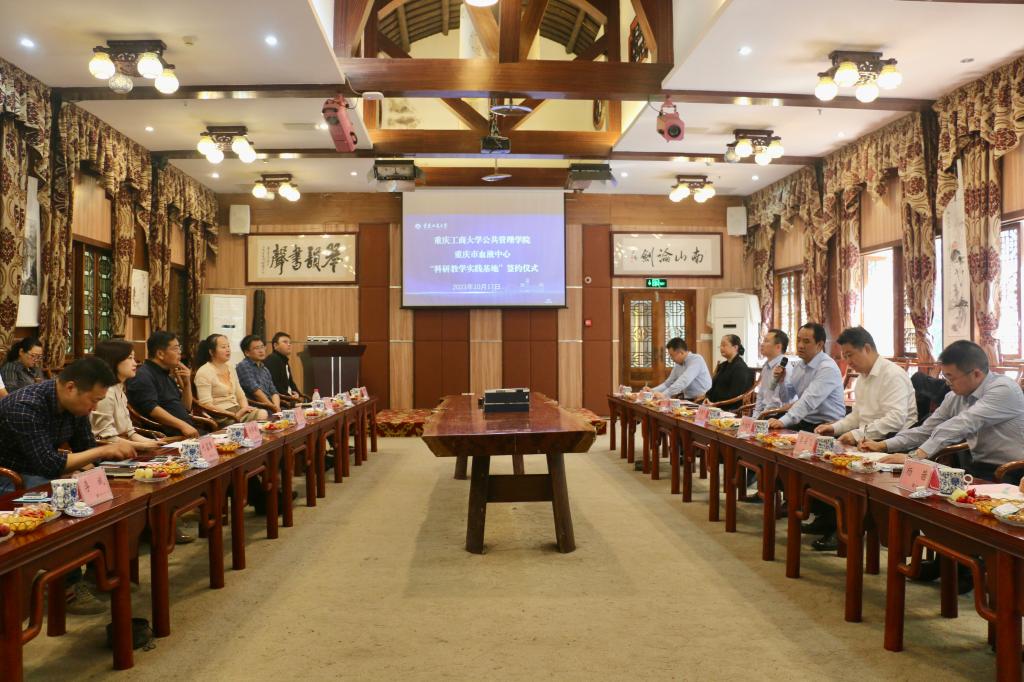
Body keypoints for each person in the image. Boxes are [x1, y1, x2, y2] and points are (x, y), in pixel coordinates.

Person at [0, 357, 136, 615]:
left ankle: (100, 569)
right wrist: (104, 451)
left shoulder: (76, 408)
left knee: (107, 494)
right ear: (71, 387)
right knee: (65, 504)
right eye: (93, 400)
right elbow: (48, 463)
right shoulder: (25, 405)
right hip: (10, 477)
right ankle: (66, 586)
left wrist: (104, 471)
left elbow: (85, 448)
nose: (94, 407)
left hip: (38, 471)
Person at [861, 340, 1024, 483]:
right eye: (945, 377)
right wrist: (883, 445)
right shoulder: (955, 396)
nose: (947, 383)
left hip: (1010, 471)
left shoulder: (1003, 389)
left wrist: (915, 457)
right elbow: (926, 430)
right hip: (977, 467)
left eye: (951, 377)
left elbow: (963, 423)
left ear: (976, 373)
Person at [814, 326, 916, 445]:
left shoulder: (893, 375)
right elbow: (858, 416)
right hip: (867, 439)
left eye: (850, 355)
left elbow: (895, 419)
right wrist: (834, 428)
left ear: (867, 348)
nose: (848, 361)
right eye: (845, 357)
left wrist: (857, 434)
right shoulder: (862, 378)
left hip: (892, 442)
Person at [767, 323, 846, 432]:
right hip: (805, 420)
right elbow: (787, 398)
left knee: (778, 433)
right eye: (798, 340)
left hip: (827, 425)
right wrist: (782, 382)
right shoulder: (799, 365)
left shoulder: (827, 368)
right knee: (768, 432)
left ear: (819, 344)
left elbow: (808, 401)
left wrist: (782, 421)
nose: (800, 345)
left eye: (806, 341)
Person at [91, 340, 168, 451]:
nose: (135, 363)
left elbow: (130, 433)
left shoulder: (119, 389)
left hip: (124, 448)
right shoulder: (106, 393)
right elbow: (106, 438)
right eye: (130, 358)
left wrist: (154, 443)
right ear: (114, 360)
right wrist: (143, 446)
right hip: (108, 453)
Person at [126, 331, 200, 438]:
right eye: (175, 349)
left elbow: (186, 408)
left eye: (179, 348)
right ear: (160, 354)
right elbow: (152, 409)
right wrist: (183, 426)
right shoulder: (142, 375)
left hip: (186, 431)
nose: (180, 352)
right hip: (167, 435)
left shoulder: (166, 375)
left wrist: (187, 383)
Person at [194, 334, 266, 427]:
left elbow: (240, 395)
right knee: (261, 416)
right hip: (219, 415)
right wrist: (232, 415)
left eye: (228, 346)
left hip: (237, 409)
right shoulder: (204, 372)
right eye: (223, 347)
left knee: (262, 414)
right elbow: (206, 404)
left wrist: (245, 408)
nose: (228, 350)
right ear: (211, 352)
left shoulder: (230, 368)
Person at [646, 338, 712, 401]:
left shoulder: (696, 359)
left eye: (672, 355)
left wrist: (664, 394)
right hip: (688, 399)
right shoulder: (678, 365)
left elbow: (684, 381)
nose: (671, 358)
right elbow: (667, 384)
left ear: (681, 353)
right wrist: (652, 391)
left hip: (703, 399)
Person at [753, 328, 795, 418]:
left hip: (778, 415)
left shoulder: (785, 368)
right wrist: (755, 416)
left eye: (766, 341)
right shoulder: (766, 366)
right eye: (763, 341)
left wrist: (761, 417)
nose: (762, 344)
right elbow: (761, 395)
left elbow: (779, 401)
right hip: (764, 414)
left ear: (778, 347)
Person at [236, 335, 281, 412]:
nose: (261, 351)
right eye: (257, 348)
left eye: (262, 347)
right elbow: (256, 392)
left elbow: (274, 391)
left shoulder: (264, 369)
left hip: (270, 407)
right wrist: (272, 407)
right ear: (247, 352)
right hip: (256, 408)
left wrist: (276, 407)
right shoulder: (243, 366)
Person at [704, 334, 754, 404]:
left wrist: (715, 404)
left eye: (724, 345)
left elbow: (735, 395)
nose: (721, 348)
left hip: (728, 407)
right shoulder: (723, 365)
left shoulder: (740, 368)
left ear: (735, 347)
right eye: (720, 345)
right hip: (714, 404)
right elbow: (714, 388)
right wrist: (707, 398)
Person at [264, 332, 301, 399]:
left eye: (290, 342)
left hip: (289, 398)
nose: (289, 344)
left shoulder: (284, 360)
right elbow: (275, 385)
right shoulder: (273, 359)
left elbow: (291, 383)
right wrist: (290, 397)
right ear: (275, 345)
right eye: (285, 342)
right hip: (281, 400)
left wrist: (298, 394)